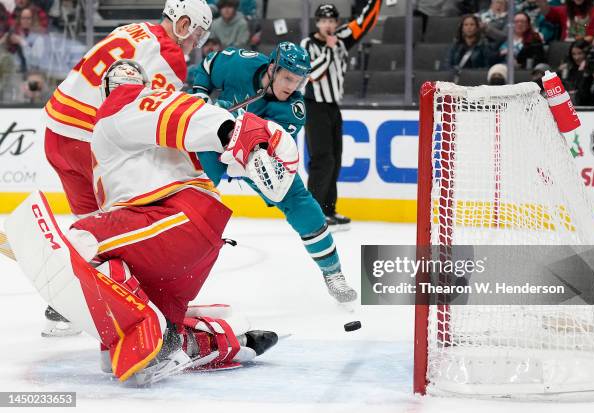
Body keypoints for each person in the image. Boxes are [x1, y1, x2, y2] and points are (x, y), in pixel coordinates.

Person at [8, 59, 280, 385]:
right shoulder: (125, 138)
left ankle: (154, 328)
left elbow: (178, 112)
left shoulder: (120, 104)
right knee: (116, 354)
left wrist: (233, 132)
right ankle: (218, 341)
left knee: (82, 242)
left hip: (176, 219)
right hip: (183, 245)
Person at [41, 0, 213, 337]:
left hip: (57, 132)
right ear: (183, 23)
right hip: (89, 142)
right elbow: (150, 115)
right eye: (196, 33)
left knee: (92, 229)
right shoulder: (171, 55)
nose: (195, 43)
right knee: (121, 227)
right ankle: (122, 301)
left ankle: (66, 306)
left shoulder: (134, 30)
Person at [190, 42, 358, 304]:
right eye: (288, 78)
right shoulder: (240, 63)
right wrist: (200, 93)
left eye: (299, 81)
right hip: (212, 141)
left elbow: (269, 155)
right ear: (272, 68)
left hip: (256, 160)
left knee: (301, 203)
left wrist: (239, 159)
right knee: (191, 190)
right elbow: (208, 65)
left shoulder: (293, 109)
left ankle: (333, 273)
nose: (292, 87)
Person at [300, 0, 382, 229]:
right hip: (314, 105)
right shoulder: (307, 44)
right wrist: (328, 47)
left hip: (333, 107)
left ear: (337, 22)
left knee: (334, 160)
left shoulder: (343, 39)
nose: (328, 24)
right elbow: (313, 73)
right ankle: (314, 214)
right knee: (321, 159)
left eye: (332, 20)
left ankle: (328, 210)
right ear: (317, 23)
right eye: (324, 20)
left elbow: (364, 22)